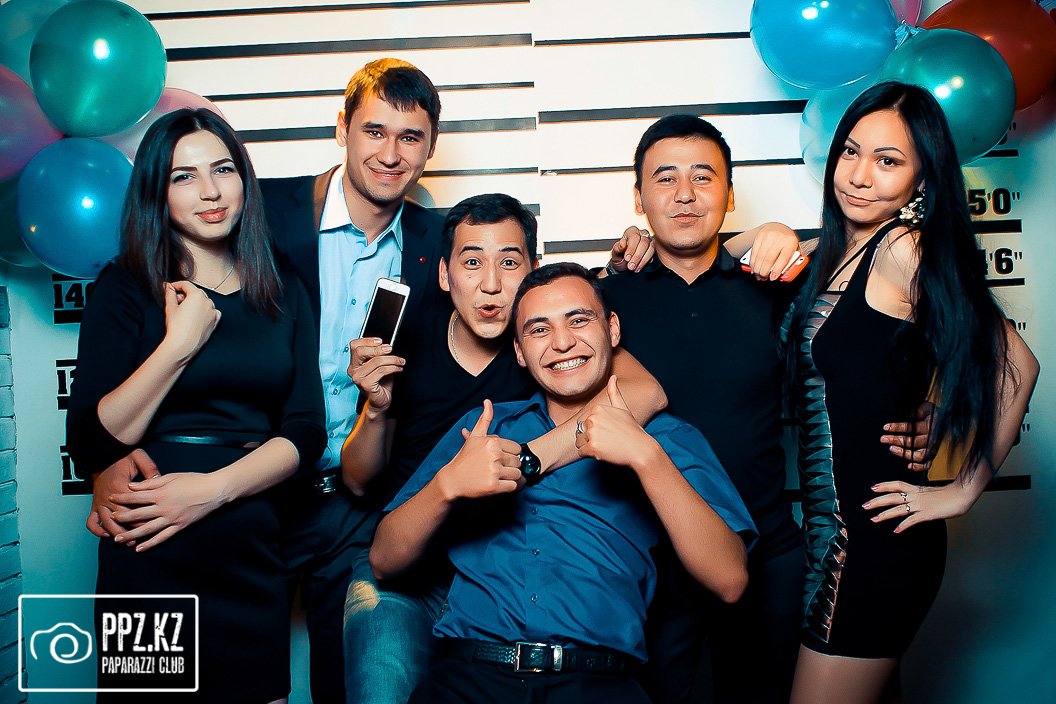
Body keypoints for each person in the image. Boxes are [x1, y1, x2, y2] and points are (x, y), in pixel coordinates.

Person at [600, 114, 933, 704]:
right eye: (665, 178)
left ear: (729, 196)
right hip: (648, 565)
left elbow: (880, 340)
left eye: (703, 177)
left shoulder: (781, 287)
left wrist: (930, 408)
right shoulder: (603, 301)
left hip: (770, 561)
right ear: (638, 197)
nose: (684, 194)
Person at [370, 262, 756, 704]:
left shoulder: (668, 438)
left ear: (612, 329)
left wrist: (647, 458)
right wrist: (446, 486)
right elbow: (383, 561)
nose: (562, 342)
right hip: (470, 676)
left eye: (578, 320)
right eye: (539, 330)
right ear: (519, 352)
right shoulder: (484, 428)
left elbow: (730, 580)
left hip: (598, 682)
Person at [340, 194, 666, 704]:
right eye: (472, 263)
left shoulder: (551, 339)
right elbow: (359, 482)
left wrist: (524, 461)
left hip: (499, 561)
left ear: (534, 269)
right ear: (445, 274)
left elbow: (645, 394)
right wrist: (376, 410)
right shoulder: (410, 335)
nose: (491, 284)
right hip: (412, 555)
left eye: (509, 263)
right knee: (382, 663)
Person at [782, 82, 1039, 704]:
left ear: (923, 179)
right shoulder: (841, 254)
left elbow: (1016, 363)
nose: (859, 175)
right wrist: (764, 232)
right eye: (851, 151)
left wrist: (961, 490)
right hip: (834, 543)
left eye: (888, 160)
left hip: (875, 546)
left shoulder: (903, 248)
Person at [66, 108, 325, 703]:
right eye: (183, 176)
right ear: (156, 192)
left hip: (250, 549)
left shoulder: (281, 287)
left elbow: (306, 430)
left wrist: (212, 491)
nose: (210, 191)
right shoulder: (126, 285)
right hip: (148, 548)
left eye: (223, 170)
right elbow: (92, 439)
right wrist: (179, 344)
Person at [258, 58, 447, 703]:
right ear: (342, 128)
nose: (390, 155)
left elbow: (516, 296)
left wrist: (627, 260)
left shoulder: (439, 241)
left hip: (357, 503)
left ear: (430, 147)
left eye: (410, 137)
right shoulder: (265, 210)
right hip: (255, 488)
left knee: (348, 682)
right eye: (374, 131)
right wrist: (109, 457)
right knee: (239, 679)